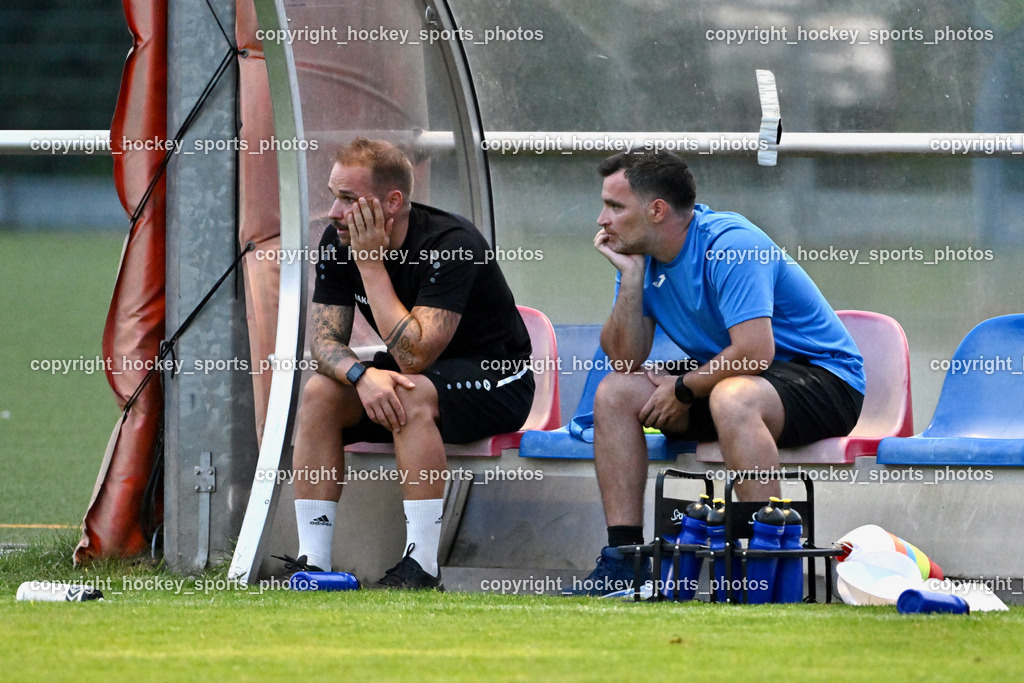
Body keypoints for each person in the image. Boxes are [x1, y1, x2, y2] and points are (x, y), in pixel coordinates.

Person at [579, 151, 865, 595]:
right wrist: (631, 281)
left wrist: (684, 388)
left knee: (733, 397)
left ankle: (765, 568)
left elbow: (754, 352)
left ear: (656, 210)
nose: (602, 219)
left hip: (825, 379)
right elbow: (624, 360)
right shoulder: (641, 254)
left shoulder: (731, 242)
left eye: (615, 207)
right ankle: (626, 561)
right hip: (734, 381)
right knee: (616, 393)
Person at [280, 138, 534, 590]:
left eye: (349, 199)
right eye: (333, 195)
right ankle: (313, 564)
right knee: (320, 392)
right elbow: (322, 344)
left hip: (497, 380)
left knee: (406, 392)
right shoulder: (338, 239)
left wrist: (371, 266)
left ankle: (422, 566)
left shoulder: (451, 243)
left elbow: (415, 355)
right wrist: (360, 375)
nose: (335, 213)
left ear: (392, 202)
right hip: (416, 377)